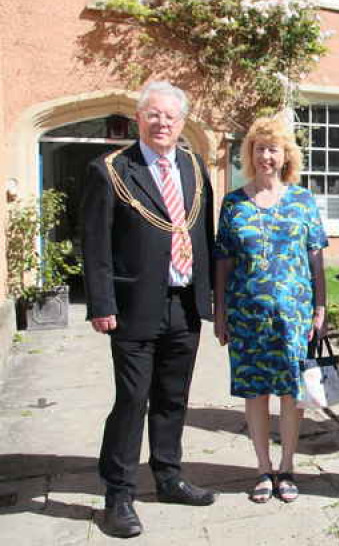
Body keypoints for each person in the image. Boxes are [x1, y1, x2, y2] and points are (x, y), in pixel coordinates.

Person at [81, 81, 216, 538]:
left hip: (184, 303)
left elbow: (206, 236)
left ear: (182, 123)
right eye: (153, 115)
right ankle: (118, 494)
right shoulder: (111, 169)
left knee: (172, 398)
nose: (162, 123)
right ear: (139, 119)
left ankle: (169, 476)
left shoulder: (195, 166)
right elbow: (95, 243)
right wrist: (101, 302)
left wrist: (210, 296)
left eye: (171, 117)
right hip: (135, 305)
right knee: (132, 400)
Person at [213, 116, 328, 503]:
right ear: (250, 154)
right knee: (255, 392)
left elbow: (315, 258)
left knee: (292, 392)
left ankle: (288, 466)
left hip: (293, 314)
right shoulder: (233, 203)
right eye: (259, 148)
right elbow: (223, 262)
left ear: (285, 155)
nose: (266, 156)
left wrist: (321, 308)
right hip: (247, 314)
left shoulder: (303, 200)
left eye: (273, 149)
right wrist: (221, 312)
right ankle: (263, 468)